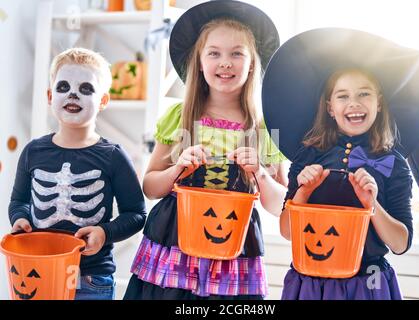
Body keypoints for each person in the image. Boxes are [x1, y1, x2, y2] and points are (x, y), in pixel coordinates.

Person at [124, 0, 287, 300]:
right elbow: (150, 187)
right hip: (174, 244)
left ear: (253, 62)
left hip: (234, 249)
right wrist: (177, 170)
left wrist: (261, 174)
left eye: (237, 53)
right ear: (199, 61)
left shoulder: (264, 128)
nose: (225, 62)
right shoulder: (180, 117)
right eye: (214, 53)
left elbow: (281, 206)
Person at [262, 28, 419, 299]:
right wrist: (304, 191)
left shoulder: (393, 163)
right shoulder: (308, 154)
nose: (353, 103)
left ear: (379, 103)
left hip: (368, 283)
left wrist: (372, 205)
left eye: (364, 94)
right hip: (312, 282)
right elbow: (288, 231)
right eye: (343, 96)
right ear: (330, 107)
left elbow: (400, 243)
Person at [8, 47, 147, 300]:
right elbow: (19, 201)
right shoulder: (32, 151)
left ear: (103, 101)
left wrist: (105, 232)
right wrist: (20, 218)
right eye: (63, 87)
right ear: (50, 96)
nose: (72, 94)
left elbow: (137, 214)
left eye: (86, 89)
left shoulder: (113, 155)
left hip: (91, 279)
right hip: (40, 272)